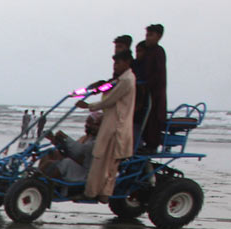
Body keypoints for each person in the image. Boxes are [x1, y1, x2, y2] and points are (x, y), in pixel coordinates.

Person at [76, 50, 135, 202]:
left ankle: (96, 193)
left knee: (104, 159)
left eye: (118, 63)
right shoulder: (120, 80)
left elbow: (109, 101)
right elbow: (106, 89)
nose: (115, 66)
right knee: (105, 160)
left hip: (116, 125)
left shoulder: (127, 80)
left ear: (127, 63)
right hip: (112, 123)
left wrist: (89, 105)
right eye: (114, 63)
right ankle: (100, 193)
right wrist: (94, 88)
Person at [38, 113, 103, 181]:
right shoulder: (86, 138)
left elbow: (79, 156)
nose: (86, 125)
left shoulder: (96, 143)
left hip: (84, 172)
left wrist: (66, 138)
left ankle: (40, 180)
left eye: (90, 123)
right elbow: (73, 151)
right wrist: (55, 140)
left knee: (60, 163)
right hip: (77, 163)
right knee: (50, 153)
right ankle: (38, 177)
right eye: (87, 122)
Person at [134, 24, 168, 152]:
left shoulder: (158, 51)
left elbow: (158, 74)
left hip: (155, 92)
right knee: (146, 119)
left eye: (150, 35)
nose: (148, 38)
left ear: (159, 36)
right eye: (147, 35)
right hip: (147, 91)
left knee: (153, 118)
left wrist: (145, 84)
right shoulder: (148, 52)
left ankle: (152, 146)